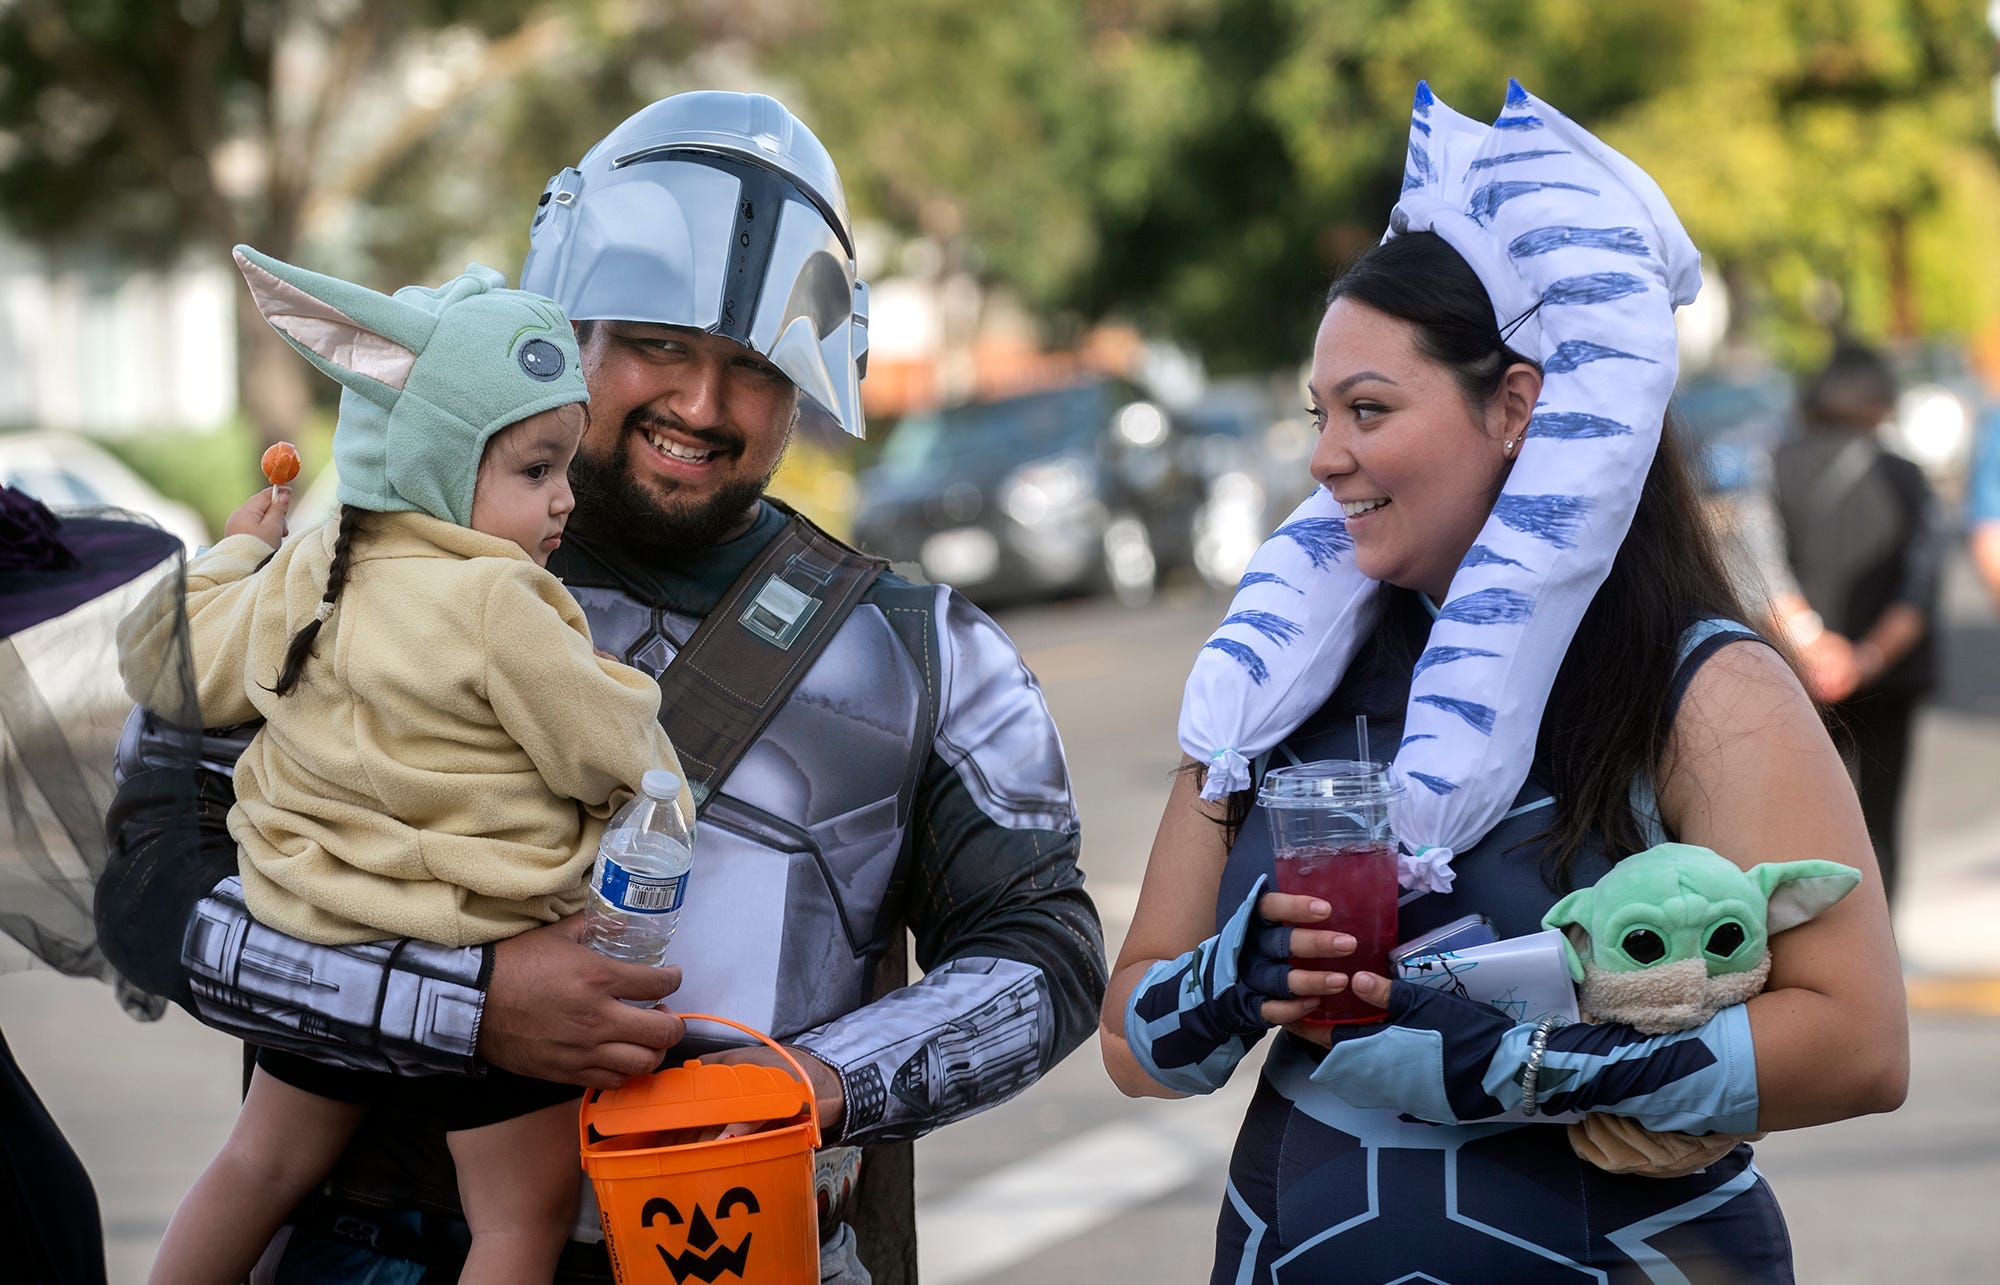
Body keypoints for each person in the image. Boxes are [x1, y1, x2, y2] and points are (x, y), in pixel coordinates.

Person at [96, 91, 1104, 1285]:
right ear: (566, 330)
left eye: (750, 368)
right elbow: (151, 886)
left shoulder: (927, 651)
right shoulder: (350, 562)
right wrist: (465, 1005)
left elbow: (1046, 951)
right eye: (656, 343)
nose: (699, 405)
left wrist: (811, 1088)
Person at [1104, 82, 1907, 1281]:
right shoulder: (1269, 684)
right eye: (1318, 413)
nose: (1327, 456)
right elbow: (1133, 1032)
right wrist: (1234, 980)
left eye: (1369, 409)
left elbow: (1858, 1041)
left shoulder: (1698, 686)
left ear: (1519, 407)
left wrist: (1520, 1068)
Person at [128, 248, 688, 1285]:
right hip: (481, 949)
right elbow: (611, 755)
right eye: (533, 470)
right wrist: (620, 695)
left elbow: (177, 665)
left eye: (565, 467)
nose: (563, 500)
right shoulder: (499, 603)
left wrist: (234, 555)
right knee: (519, 1218)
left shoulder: (317, 557)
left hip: (318, 926)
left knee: (258, 1164)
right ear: (436, 455)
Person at [1770, 342, 1945, 904]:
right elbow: (1918, 589)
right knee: (1879, 824)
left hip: (1796, 678)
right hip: (1889, 679)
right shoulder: (1908, 477)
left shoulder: (1771, 464)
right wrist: (1862, 658)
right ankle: (1878, 959)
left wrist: (1813, 646)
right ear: (1880, 399)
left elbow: (1755, 566)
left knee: (1797, 829)